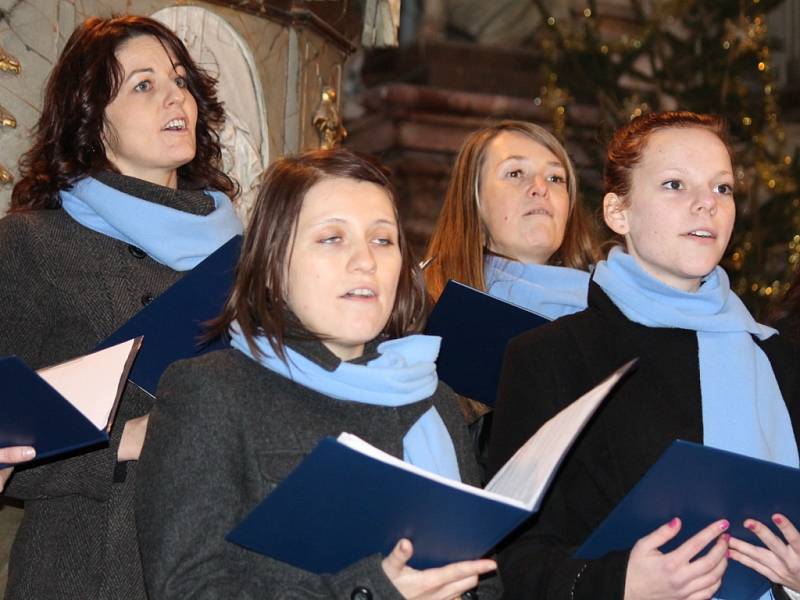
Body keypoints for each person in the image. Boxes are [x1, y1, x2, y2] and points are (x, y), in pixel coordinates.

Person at [135, 148, 502, 599]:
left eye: (383, 240)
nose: (365, 260)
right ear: (273, 266)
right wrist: (373, 593)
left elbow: (484, 580)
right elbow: (189, 590)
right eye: (332, 238)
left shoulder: (434, 398)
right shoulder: (213, 390)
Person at [487, 111, 800, 600]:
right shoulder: (551, 356)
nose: (707, 206)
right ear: (618, 213)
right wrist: (620, 585)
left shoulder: (778, 359)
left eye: (722, 189)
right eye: (676, 185)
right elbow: (515, 558)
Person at [0, 15, 242, 599]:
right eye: (143, 84)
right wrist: (127, 440)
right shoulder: (33, 243)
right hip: (93, 560)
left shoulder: (246, 249)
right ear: (93, 118)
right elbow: (5, 437)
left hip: (225, 553)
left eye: (180, 80)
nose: (174, 96)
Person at [423, 120, 599, 459]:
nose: (539, 188)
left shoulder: (612, 312)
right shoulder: (425, 308)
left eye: (555, 178)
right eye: (515, 173)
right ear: (472, 200)